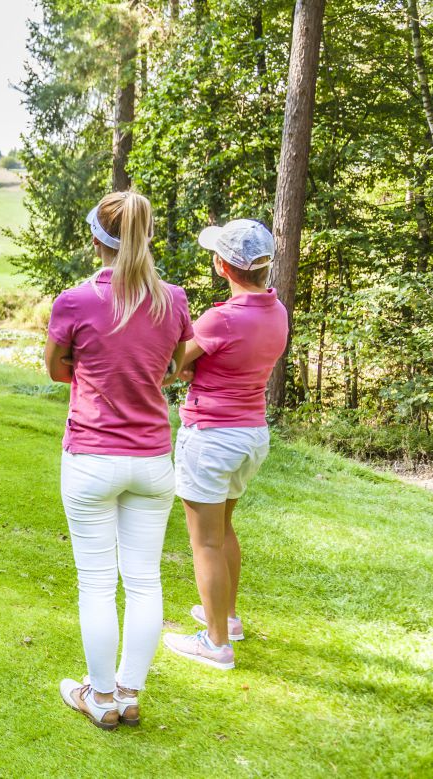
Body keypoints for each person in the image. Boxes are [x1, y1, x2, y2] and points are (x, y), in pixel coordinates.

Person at [45, 191, 193, 730]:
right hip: (152, 459)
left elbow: (57, 370)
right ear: (145, 236)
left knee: (96, 583)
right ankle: (128, 693)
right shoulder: (173, 299)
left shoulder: (75, 300)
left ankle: (101, 696)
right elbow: (177, 367)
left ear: (95, 238)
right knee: (145, 580)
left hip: (91, 458)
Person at [162, 220, 288, 670]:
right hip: (251, 436)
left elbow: (172, 365)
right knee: (224, 530)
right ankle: (228, 619)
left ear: (222, 265)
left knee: (205, 543)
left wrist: (184, 368)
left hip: (213, 437)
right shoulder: (277, 311)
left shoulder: (222, 318)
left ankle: (215, 644)